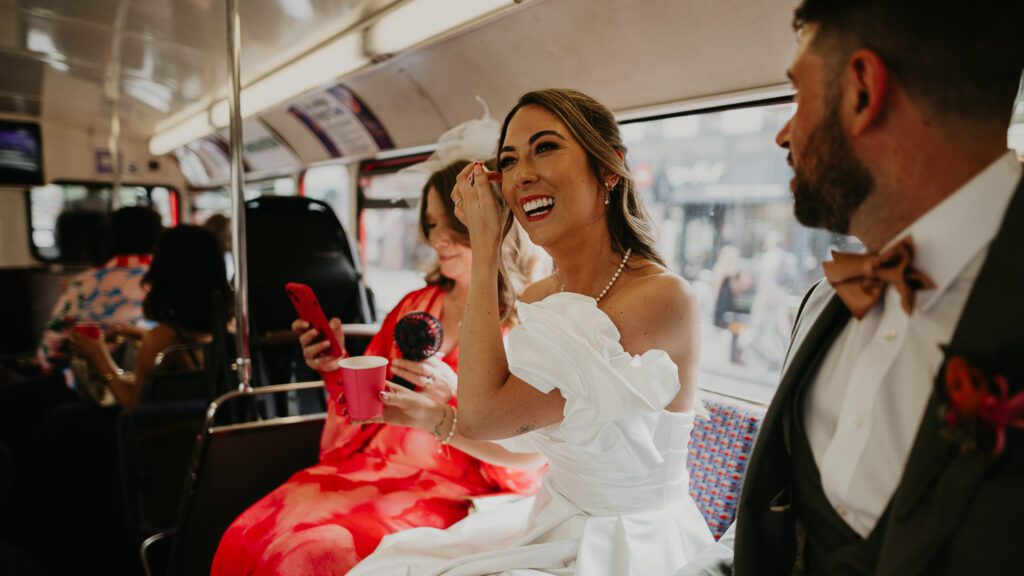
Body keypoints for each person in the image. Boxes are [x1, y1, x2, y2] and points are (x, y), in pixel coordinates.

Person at [679, 2, 1024, 575]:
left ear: (863, 90)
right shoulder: (825, 300)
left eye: (798, 96)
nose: (783, 134)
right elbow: (772, 528)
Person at [349, 88, 714, 575]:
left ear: (609, 168)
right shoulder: (542, 295)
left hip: (625, 540)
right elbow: (524, 432)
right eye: (509, 160)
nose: (522, 174)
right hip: (555, 516)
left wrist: (485, 246)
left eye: (545, 147)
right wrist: (429, 416)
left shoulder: (661, 297)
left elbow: (483, 417)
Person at [211, 158, 545, 576]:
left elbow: (526, 461)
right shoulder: (415, 304)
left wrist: (456, 399)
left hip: (451, 485)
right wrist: (333, 366)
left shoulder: (526, 326)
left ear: (494, 225)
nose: (438, 239)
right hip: (368, 464)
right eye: (431, 224)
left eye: (454, 224)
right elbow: (369, 403)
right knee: (244, 532)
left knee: (306, 556)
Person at [70, 225, 233, 407]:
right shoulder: (228, 329)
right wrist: (140, 334)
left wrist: (98, 355)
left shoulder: (161, 340)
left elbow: (134, 406)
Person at [36, 205, 163, 373]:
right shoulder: (172, 281)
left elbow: (52, 350)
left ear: (111, 238)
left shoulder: (85, 283)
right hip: (164, 380)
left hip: (97, 382)